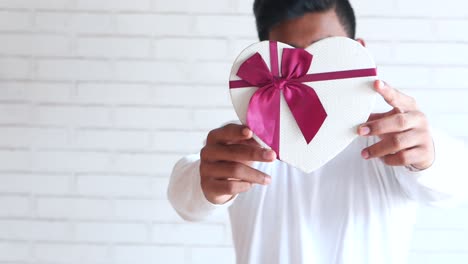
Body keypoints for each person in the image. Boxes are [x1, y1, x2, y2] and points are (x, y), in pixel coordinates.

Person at [167, 0, 468, 263]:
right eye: (293, 61)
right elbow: (186, 200)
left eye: (324, 53)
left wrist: (428, 155)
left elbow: (455, 183)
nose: (309, 76)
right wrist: (207, 183)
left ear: (357, 53)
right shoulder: (243, 146)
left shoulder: (393, 141)